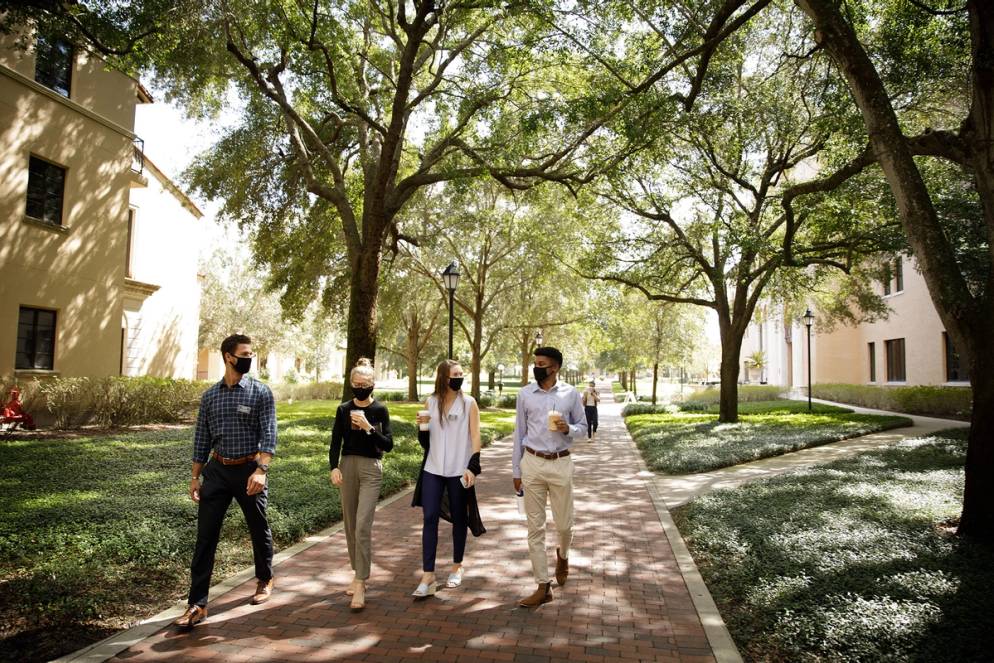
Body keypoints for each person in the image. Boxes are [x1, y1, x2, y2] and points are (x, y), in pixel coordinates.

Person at [173, 334, 277, 630]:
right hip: (216, 471)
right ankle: (197, 604)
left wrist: (261, 470)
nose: (250, 357)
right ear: (229, 357)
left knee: (259, 528)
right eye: (245, 353)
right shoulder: (210, 397)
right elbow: (201, 439)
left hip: (249, 470)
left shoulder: (260, 392)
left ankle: (265, 579)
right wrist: (195, 476)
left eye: (251, 353)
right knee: (205, 536)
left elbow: (269, 435)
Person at [512, 346, 586, 607]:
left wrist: (570, 428)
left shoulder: (570, 393)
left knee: (564, 525)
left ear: (554, 368)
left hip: (561, 463)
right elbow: (518, 432)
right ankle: (543, 586)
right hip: (532, 462)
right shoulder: (525, 394)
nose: (537, 367)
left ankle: (563, 555)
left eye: (542, 363)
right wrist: (516, 470)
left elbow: (584, 427)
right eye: (536, 363)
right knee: (535, 528)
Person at [411, 360, 485, 598]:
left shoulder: (469, 403)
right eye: (455, 374)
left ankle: (457, 566)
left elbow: (475, 435)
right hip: (433, 469)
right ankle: (428, 575)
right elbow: (426, 442)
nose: (459, 378)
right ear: (443, 377)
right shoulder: (430, 402)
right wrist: (421, 428)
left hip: (458, 470)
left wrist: (473, 466)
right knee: (429, 517)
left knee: (459, 518)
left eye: (461, 374)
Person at [328, 358, 394, 611]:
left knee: (363, 525)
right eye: (356, 384)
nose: (360, 387)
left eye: (364, 384)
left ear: (373, 385)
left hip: (371, 469)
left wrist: (368, 428)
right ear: (351, 384)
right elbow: (335, 441)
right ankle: (358, 572)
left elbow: (388, 445)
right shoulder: (344, 409)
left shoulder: (380, 410)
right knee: (350, 525)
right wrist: (333, 467)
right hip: (348, 466)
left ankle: (360, 582)